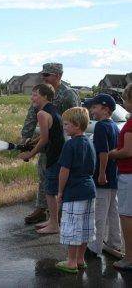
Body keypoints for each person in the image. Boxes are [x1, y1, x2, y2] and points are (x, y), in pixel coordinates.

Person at [22, 63, 81, 224]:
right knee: (44, 175)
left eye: (47, 75)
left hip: (64, 144)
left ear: (58, 76)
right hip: (48, 142)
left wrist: (75, 144)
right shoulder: (42, 93)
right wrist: (25, 139)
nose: (44, 77)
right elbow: (32, 115)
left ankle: (61, 213)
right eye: (43, 75)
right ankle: (42, 209)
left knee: (62, 178)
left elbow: (78, 119)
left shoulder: (68, 94)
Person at [19, 84, 65, 234]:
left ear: (44, 96)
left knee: (50, 192)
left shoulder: (41, 114)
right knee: (51, 190)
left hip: (53, 157)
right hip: (60, 154)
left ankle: (54, 225)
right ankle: (52, 220)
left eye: (35, 95)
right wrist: (32, 141)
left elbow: (45, 140)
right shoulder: (53, 109)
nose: (32, 98)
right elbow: (48, 134)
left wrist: (29, 154)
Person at [56, 107, 96, 274]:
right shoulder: (89, 142)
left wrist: (60, 192)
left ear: (77, 125)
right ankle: (81, 259)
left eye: (66, 124)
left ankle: (71, 262)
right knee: (86, 226)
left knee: (72, 226)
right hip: (89, 190)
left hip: (74, 192)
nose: (64, 127)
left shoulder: (70, 145)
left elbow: (64, 171)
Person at [85, 94, 122, 257]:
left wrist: (101, 174)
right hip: (114, 177)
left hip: (103, 178)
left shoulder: (100, 126)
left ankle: (94, 247)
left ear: (105, 109)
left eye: (94, 107)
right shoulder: (114, 126)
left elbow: (103, 153)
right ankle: (115, 242)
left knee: (99, 213)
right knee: (113, 211)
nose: (91, 110)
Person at [109, 83, 132, 271]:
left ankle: (129, 258)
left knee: (126, 216)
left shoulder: (131, 124)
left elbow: (127, 151)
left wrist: (112, 154)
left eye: (125, 99)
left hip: (129, 175)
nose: (123, 103)